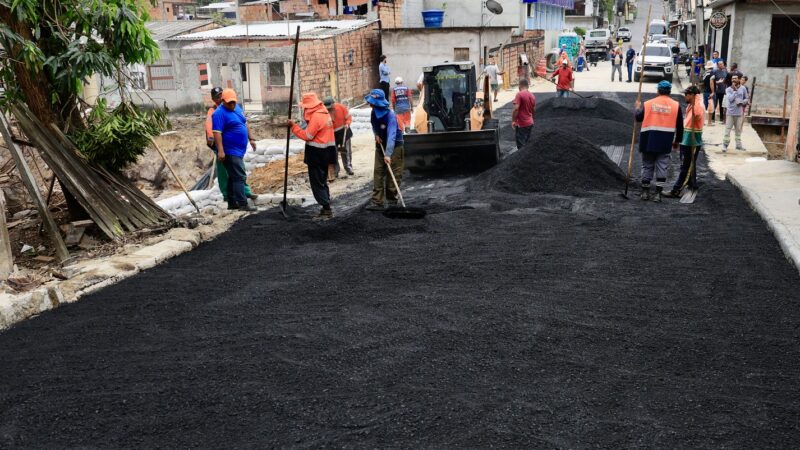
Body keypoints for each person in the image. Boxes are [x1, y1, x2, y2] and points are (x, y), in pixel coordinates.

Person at [634, 80, 683, 202]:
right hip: (665, 140)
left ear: (658, 91)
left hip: (648, 139)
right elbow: (680, 126)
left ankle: (645, 193)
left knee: (647, 165)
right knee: (662, 166)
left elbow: (638, 117)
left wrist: (637, 108)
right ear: (670, 91)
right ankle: (657, 194)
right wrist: (677, 141)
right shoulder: (676, 105)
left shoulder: (648, 103)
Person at [205, 87, 257, 203]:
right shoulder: (215, 112)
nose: (219, 98)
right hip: (223, 148)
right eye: (217, 97)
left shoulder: (234, 108)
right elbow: (212, 130)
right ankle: (229, 196)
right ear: (214, 99)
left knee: (238, 171)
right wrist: (219, 148)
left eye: (220, 96)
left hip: (237, 149)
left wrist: (251, 138)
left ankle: (243, 192)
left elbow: (244, 122)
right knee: (225, 172)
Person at [288, 93, 336, 219]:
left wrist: (294, 127)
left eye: (305, 107)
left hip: (317, 155)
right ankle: (326, 207)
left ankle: (326, 208)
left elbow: (307, 136)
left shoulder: (316, 117)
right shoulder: (324, 113)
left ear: (309, 107)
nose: (304, 110)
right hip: (326, 153)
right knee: (322, 181)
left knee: (317, 183)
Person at [365, 89, 404, 211]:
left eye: (372, 103)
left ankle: (392, 201)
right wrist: (376, 134)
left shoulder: (390, 115)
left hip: (395, 146)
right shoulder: (373, 113)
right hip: (380, 143)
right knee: (378, 171)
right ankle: (377, 201)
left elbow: (392, 135)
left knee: (393, 173)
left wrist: (388, 154)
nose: (370, 105)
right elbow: (374, 125)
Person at [664, 86, 704, 198]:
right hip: (686, 140)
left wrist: (695, 104)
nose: (684, 96)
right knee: (687, 166)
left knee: (686, 167)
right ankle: (692, 185)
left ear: (692, 95)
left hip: (692, 140)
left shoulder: (698, 105)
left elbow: (698, 115)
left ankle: (676, 190)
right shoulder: (691, 105)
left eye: (686, 94)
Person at [323, 96, 354, 178]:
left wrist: (347, 123)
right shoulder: (324, 112)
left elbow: (349, 117)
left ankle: (348, 168)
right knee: (334, 153)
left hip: (344, 131)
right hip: (333, 134)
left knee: (346, 151)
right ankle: (336, 170)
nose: (329, 109)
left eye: (330, 107)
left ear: (333, 104)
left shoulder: (340, 107)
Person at [722, 74, 749, 152]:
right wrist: (735, 91)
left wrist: (742, 102)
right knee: (727, 130)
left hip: (739, 113)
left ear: (739, 80)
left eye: (735, 78)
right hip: (730, 113)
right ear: (731, 80)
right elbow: (730, 99)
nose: (734, 80)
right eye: (732, 79)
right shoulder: (728, 89)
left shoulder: (743, 88)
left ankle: (738, 146)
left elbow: (746, 98)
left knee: (738, 131)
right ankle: (725, 145)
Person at [511, 78, 536, 150]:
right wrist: (532, 119)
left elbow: (516, 109)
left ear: (519, 86)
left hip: (522, 124)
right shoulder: (532, 95)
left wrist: (513, 121)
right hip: (530, 123)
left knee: (521, 146)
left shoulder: (519, 94)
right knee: (527, 143)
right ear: (528, 86)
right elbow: (533, 110)